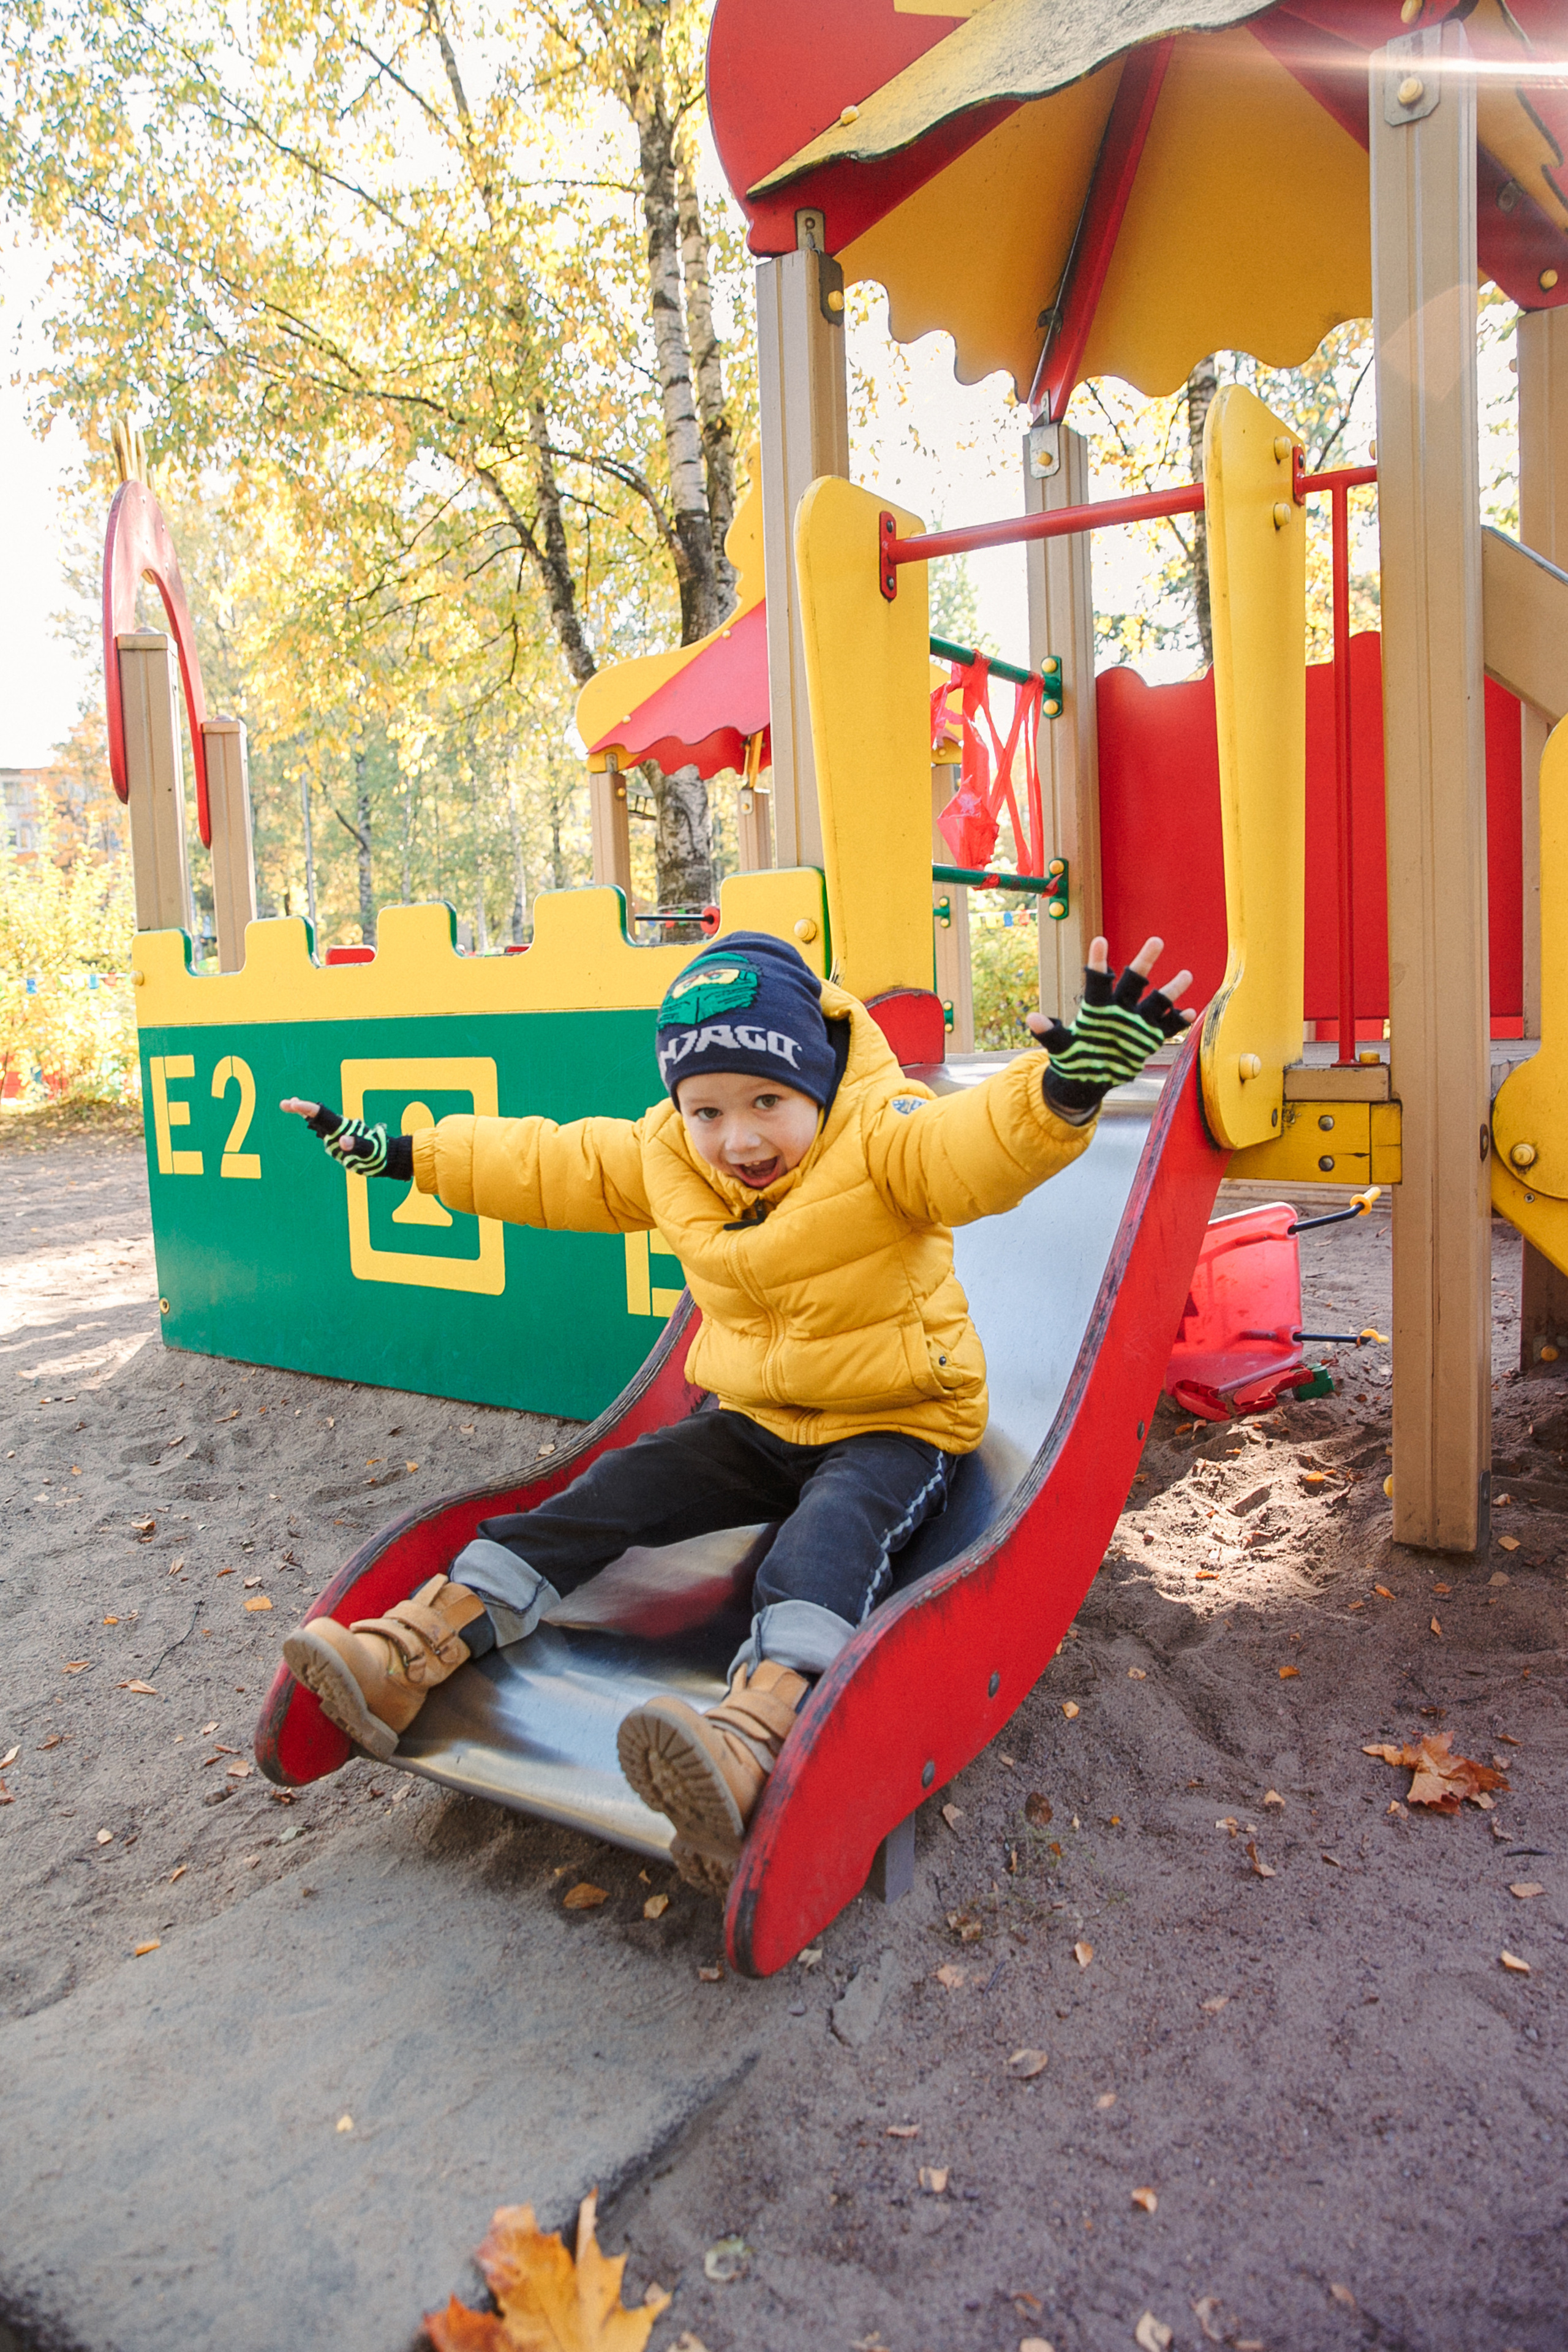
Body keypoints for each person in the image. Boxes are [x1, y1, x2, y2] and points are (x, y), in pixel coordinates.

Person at [279, 928, 1191, 1890]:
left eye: (768, 1102)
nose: (740, 1138)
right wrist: (404, 1156)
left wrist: (1061, 1092)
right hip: (757, 1420)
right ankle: (425, 1639)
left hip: (896, 1420)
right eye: (707, 1109)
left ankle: (758, 1733)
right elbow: (548, 1165)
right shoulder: (672, 1157)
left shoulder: (886, 1137)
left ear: (820, 1083)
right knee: (617, 1487)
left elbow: (972, 1151)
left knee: (825, 1542)